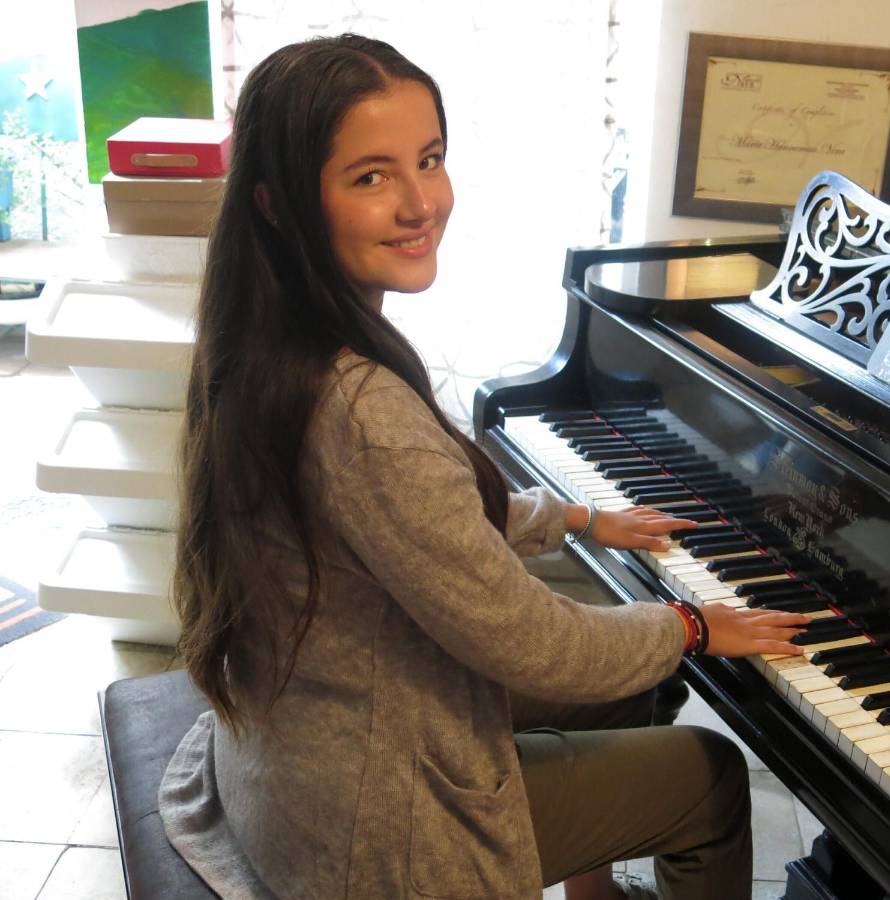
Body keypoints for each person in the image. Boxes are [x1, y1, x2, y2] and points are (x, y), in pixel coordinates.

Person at [159, 33, 810, 900]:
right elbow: (537, 644)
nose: (421, 202)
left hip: (302, 754)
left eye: (429, 160)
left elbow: (416, 524)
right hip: (374, 819)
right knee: (710, 773)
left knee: (626, 690)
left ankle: (594, 892)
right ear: (280, 203)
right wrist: (691, 626)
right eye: (371, 175)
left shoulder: (270, 346)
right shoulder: (360, 410)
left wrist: (576, 517)